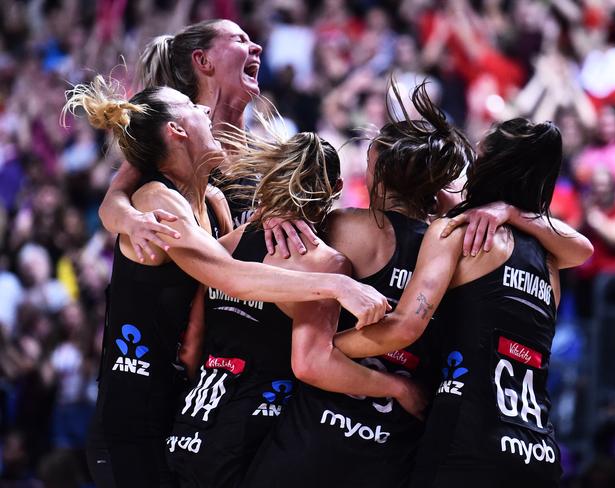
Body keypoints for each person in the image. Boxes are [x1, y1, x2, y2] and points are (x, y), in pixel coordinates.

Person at [62, 75, 389, 488]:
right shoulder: (155, 199)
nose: (204, 110)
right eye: (192, 107)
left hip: (181, 406)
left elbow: (219, 279)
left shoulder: (212, 202)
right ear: (176, 131)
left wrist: (274, 212)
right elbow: (229, 276)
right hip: (131, 417)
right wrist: (338, 285)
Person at [333, 118, 594, 488]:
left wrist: (327, 348)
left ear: (491, 163)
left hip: (470, 439)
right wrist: (514, 212)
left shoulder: (457, 232)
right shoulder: (550, 260)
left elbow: (405, 327)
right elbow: (583, 249)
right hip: (538, 450)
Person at [239, 81, 472, 488]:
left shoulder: (344, 226)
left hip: (313, 440)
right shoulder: (455, 249)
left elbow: (260, 258)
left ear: (378, 174)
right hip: (390, 453)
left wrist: (277, 211)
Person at [167, 126, 425, 488]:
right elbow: (312, 364)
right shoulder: (324, 261)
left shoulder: (225, 246)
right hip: (248, 429)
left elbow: (191, 342)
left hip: (190, 421)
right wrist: (397, 388)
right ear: (336, 189)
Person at [99, 19, 314, 262]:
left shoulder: (265, 153)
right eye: (239, 40)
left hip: (239, 288)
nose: (257, 48)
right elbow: (110, 204)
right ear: (203, 60)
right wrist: (133, 221)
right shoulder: (175, 140)